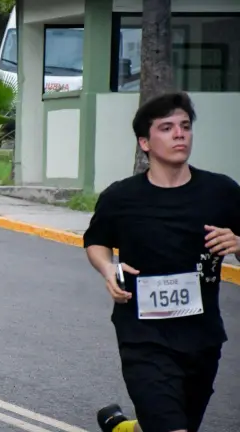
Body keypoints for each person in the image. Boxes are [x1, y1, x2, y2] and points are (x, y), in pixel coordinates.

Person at [83, 92, 240, 432]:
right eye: (167, 128)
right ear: (145, 142)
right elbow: (95, 241)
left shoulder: (222, 192)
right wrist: (108, 268)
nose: (180, 134)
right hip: (143, 336)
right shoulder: (121, 197)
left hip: (202, 338)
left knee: (173, 422)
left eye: (185, 126)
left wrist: (238, 243)